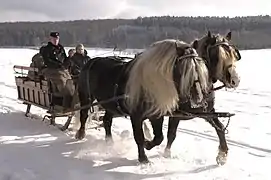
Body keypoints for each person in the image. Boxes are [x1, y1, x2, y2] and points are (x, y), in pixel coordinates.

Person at [39, 32, 74, 110]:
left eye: (57, 39)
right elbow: (47, 61)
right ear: (50, 39)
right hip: (51, 70)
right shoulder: (47, 49)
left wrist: (69, 58)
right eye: (54, 39)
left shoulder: (61, 48)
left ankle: (71, 98)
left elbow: (65, 60)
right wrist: (58, 65)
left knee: (70, 81)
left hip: (62, 70)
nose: (55, 40)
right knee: (61, 81)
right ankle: (62, 102)